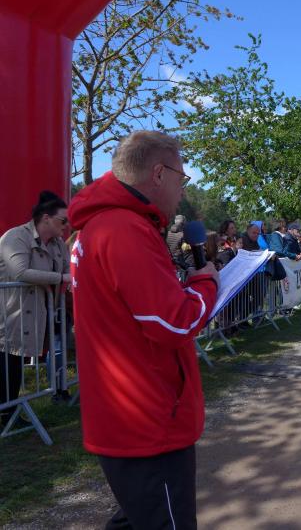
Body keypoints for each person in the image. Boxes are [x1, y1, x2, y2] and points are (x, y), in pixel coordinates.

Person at [68, 130, 218, 529]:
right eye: (181, 178)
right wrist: (207, 283)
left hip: (126, 411)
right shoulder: (124, 229)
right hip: (147, 417)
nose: (182, 190)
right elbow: (172, 322)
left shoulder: (100, 226)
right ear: (158, 173)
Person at [0, 191, 71, 425]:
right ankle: (7, 413)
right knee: (8, 361)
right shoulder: (15, 237)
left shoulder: (58, 244)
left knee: (17, 362)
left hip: (38, 313)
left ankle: (10, 412)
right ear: (46, 218)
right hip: (10, 314)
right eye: (63, 220)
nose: (66, 225)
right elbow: (20, 272)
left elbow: (68, 270)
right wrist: (61, 278)